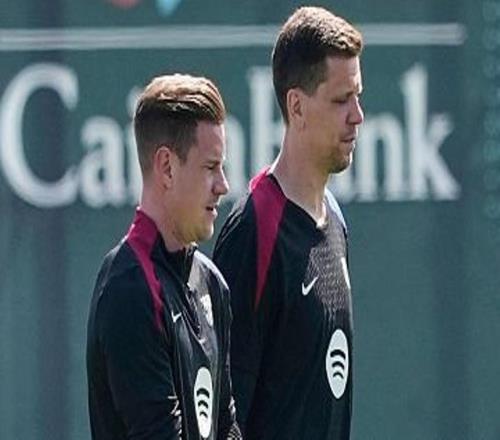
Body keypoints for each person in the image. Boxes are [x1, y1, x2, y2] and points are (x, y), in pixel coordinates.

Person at [213, 6, 364, 440]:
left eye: (358, 95)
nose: (357, 115)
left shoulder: (334, 219)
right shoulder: (253, 230)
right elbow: (225, 416)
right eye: (341, 100)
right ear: (296, 106)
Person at [86, 73, 241, 440]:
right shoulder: (130, 289)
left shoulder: (212, 284)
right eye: (210, 167)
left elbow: (226, 425)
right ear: (167, 167)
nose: (223, 185)